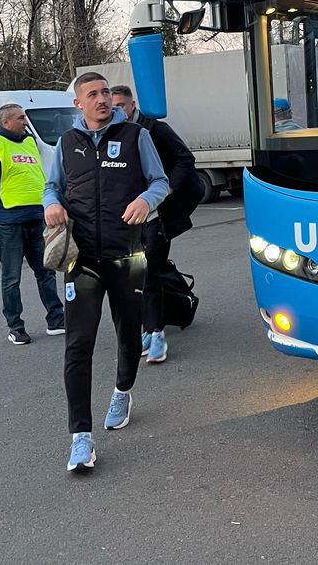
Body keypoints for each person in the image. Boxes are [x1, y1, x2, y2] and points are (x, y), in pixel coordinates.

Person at [44, 72, 169, 474]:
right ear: (78, 104)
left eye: (105, 93)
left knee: (128, 332)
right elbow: (51, 187)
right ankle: (80, 437)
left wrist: (146, 200)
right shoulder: (67, 143)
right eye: (93, 95)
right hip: (81, 258)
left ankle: (123, 390)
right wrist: (51, 205)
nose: (102, 100)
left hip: (127, 253)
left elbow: (160, 181)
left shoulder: (136, 136)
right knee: (78, 343)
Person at [110, 84, 204, 365]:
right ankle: (151, 328)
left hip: (161, 211)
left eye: (121, 106)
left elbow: (185, 159)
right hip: (133, 214)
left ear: (132, 104)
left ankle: (155, 331)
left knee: (149, 269)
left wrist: (168, 190)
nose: (117, 111)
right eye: (113, 107)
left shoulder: (155, 129)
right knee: (141, 273)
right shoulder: (115, 133)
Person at [0, 103, 65, 346]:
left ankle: (56, 320)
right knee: (11, 277)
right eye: (21, 117)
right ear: (6, 122)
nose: (25, 121)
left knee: (46, 272)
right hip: (9, 222)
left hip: (36, 218)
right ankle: (16, 326)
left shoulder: (30, 142)